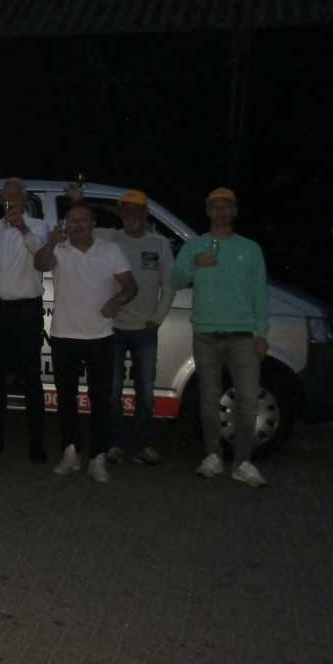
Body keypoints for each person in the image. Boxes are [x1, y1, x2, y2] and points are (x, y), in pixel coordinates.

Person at [171, 187, 269, 487]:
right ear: (208, 211)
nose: (221, 211)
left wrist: (261, 334)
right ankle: (212, 455)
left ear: (235, 211)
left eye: (227, 206)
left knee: (248, 400)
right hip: (206, 335)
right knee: (208, 399)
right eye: (216, 207)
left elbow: (259, 293)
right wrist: (193, 262)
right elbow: (176, 280)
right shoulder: (195, 245)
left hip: (242, 336)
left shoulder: (249, 248)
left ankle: (243, 462)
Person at [34, 202, 137, 483]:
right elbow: (39, 264)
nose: (78, 224)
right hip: (64, 335)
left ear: (93, 225)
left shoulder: (110, 250)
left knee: (100, 399)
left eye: (83, 220)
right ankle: (70, 452)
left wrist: (118, 300)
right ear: (67, 224)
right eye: (73, 220)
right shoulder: (59, 249)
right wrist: (50, 243)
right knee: (66, 398)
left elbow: (130, 286)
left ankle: (97, 457)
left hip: (99, 336)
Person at [96, 190, 175, 466]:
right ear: (121, 213)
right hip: (114, 327)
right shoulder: (109, 238)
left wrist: (158, 318)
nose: (132, 214)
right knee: (113, 391)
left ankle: (143, 444)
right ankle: (113, 444)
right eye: (127, 209)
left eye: (137, 209)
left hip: (145, 329)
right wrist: (77, 199)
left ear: (145, 214)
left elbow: (169, 285)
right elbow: (78, 226)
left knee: (145, 392)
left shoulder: (160, 244)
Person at [0, 177, 51, 463]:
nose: (10, 200)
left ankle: (36, 443)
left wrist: (23, 228)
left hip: (26, 310)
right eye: (6, 195)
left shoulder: (39, 226)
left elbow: (41, 255)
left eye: (15, 195)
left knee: (30, 377)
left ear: (25, 198)